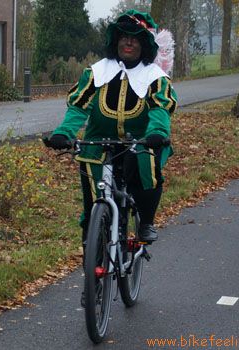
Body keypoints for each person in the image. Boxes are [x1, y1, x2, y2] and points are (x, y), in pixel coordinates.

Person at [47, 10, 177, 251]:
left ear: (145, 44)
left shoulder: (155, 78)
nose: (128, 42)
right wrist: (64, 132)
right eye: (123, 36)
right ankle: (93, 255)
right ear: (115, 40)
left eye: (135, 37)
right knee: (91, 198)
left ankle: (145, 222)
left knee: (145, 161)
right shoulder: (96, 72)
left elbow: (160, 108)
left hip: (141, 141)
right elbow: (78, 107)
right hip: (97, 143)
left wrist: (157, 132)